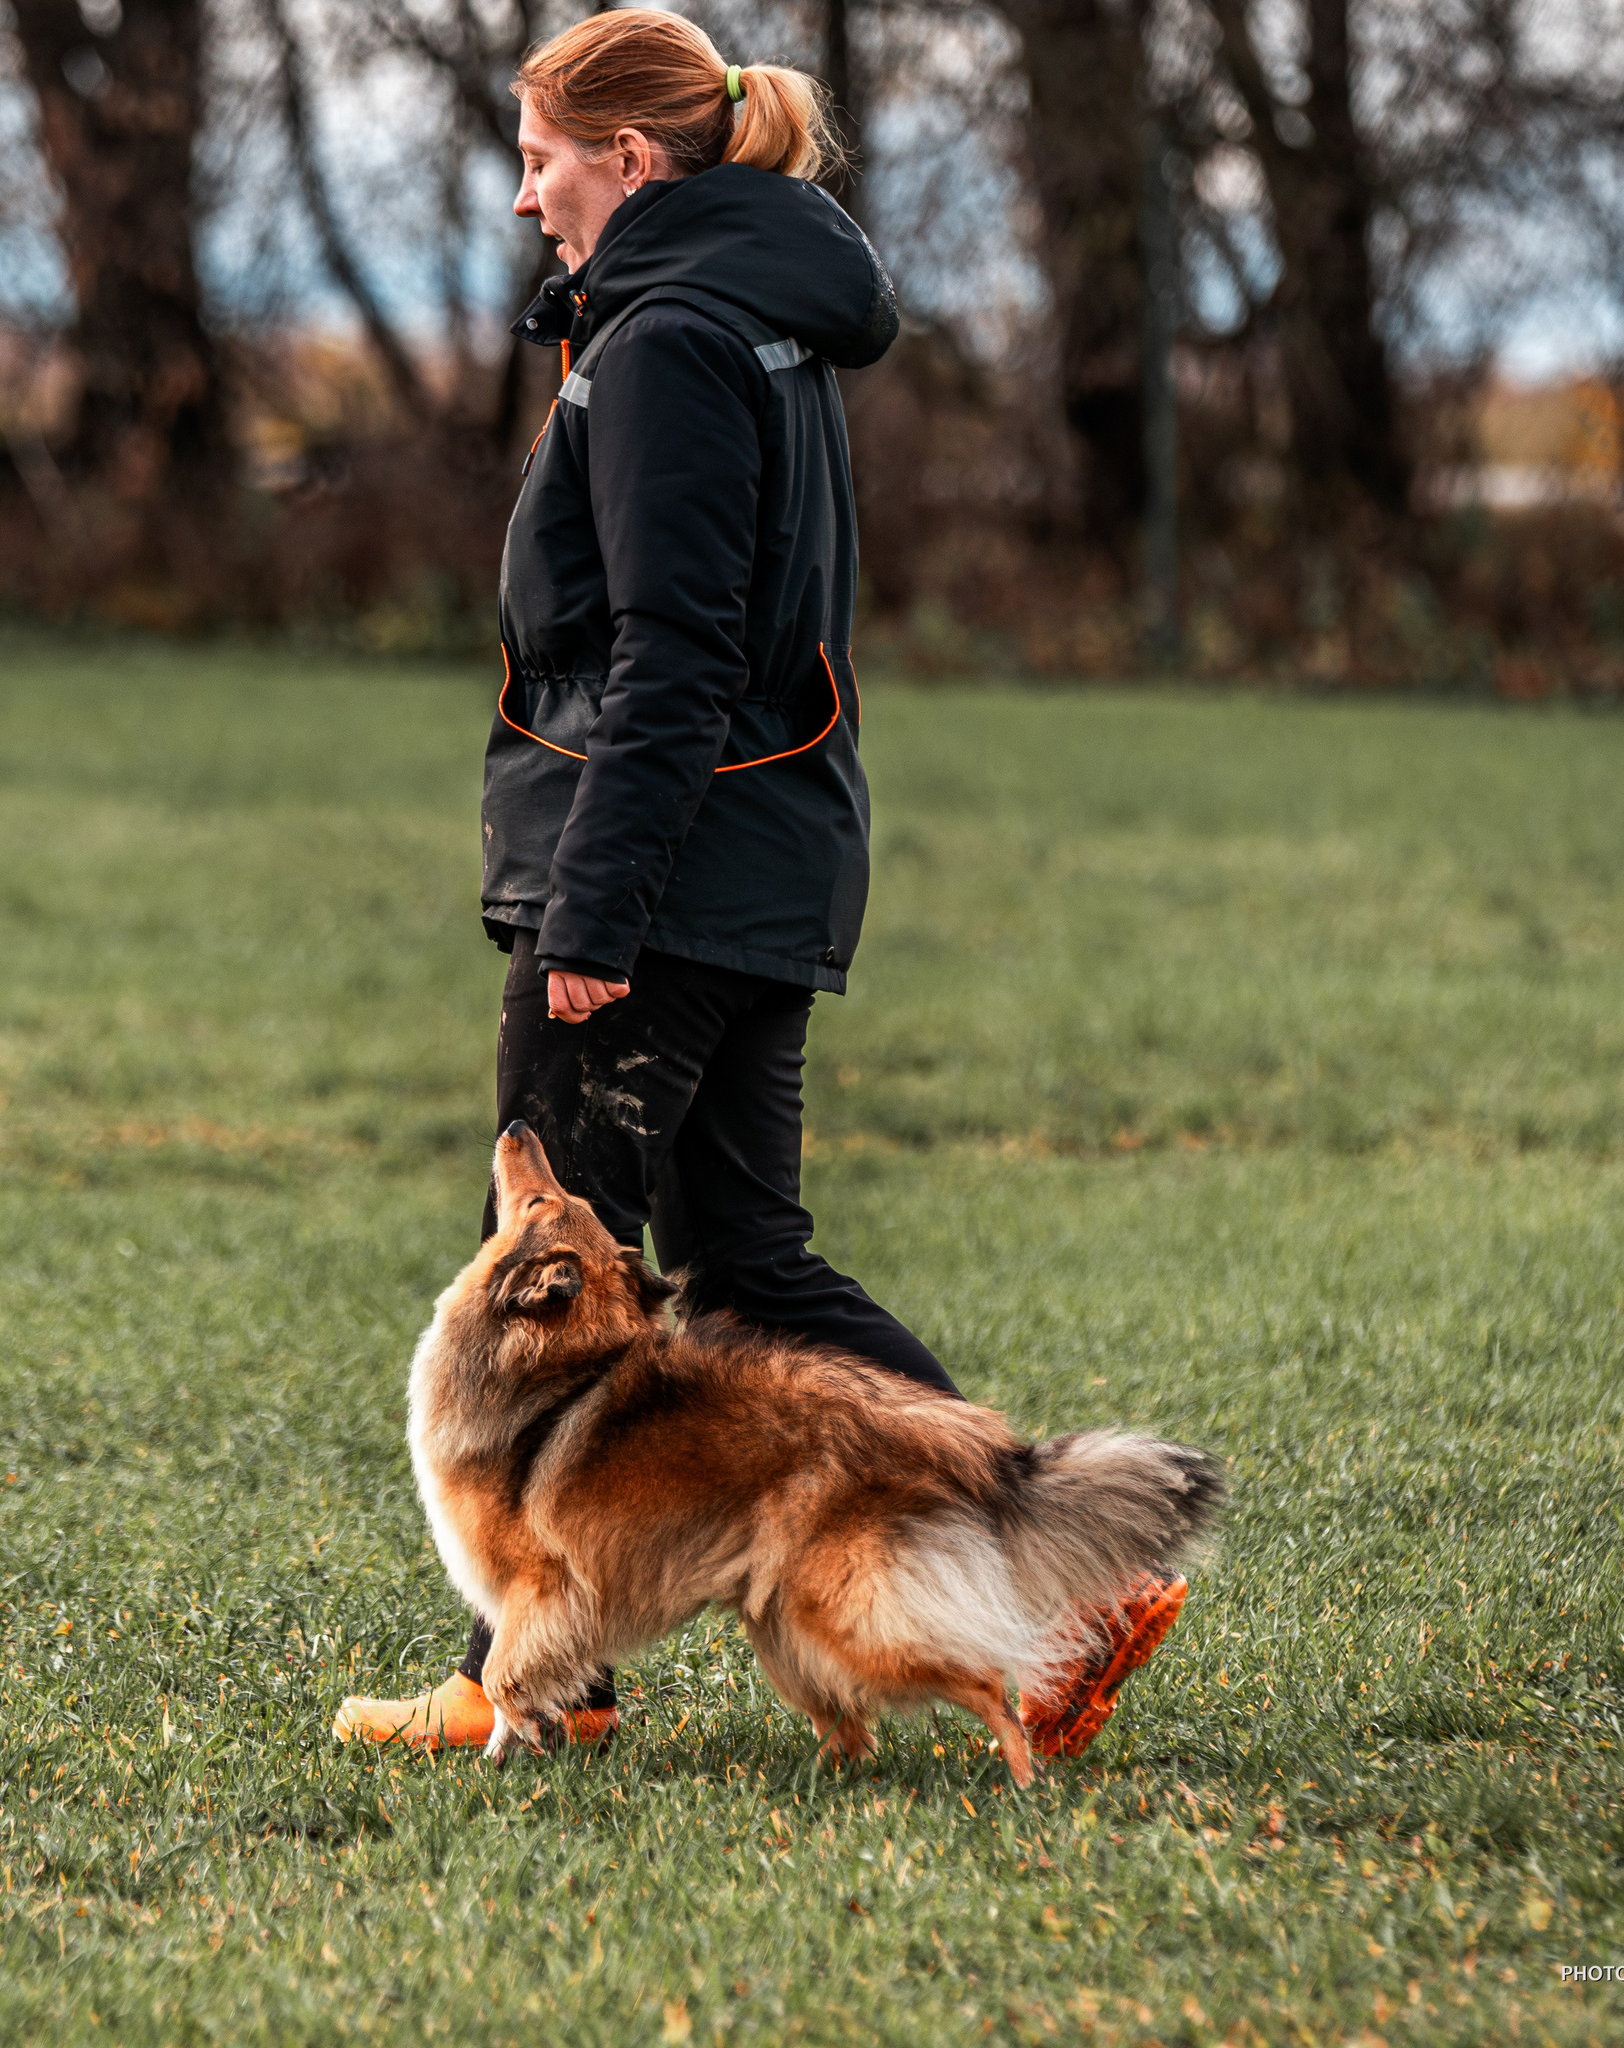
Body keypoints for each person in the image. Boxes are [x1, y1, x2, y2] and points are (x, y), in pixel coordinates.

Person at [331, 7, 1185, 1762]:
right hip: (765, 854)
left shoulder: (665, 341)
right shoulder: (764, 320)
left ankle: (536, 1685)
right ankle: (1067, 1586)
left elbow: (674, 652)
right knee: (749, 1258)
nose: (523, 199)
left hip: (665, 868)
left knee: (544, 1268)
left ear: (630, 164)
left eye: (542, 160)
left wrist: (590, 912)